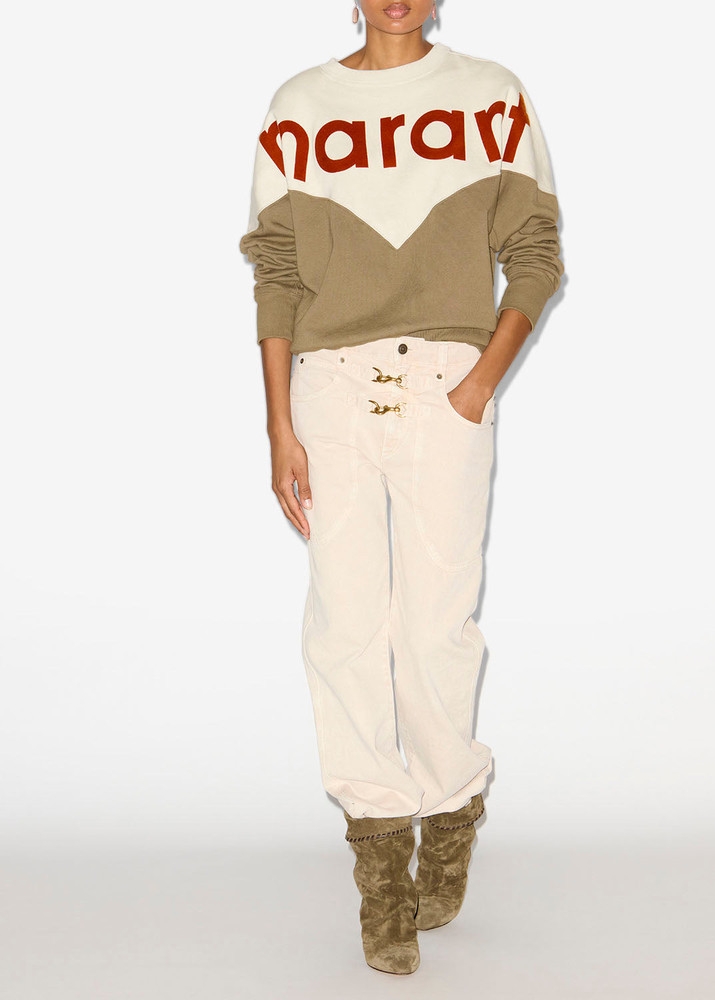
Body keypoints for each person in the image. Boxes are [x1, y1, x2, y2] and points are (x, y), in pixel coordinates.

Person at [238, 0, 564, 976]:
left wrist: (478, 384)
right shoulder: (300, 104)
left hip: (444, 388)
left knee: (436, 622)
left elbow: (535, 255)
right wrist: (279, 422)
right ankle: (381, 867)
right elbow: (276, 272)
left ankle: (450, 810)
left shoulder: (488, 94)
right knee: (345, 623)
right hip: (329, 393)